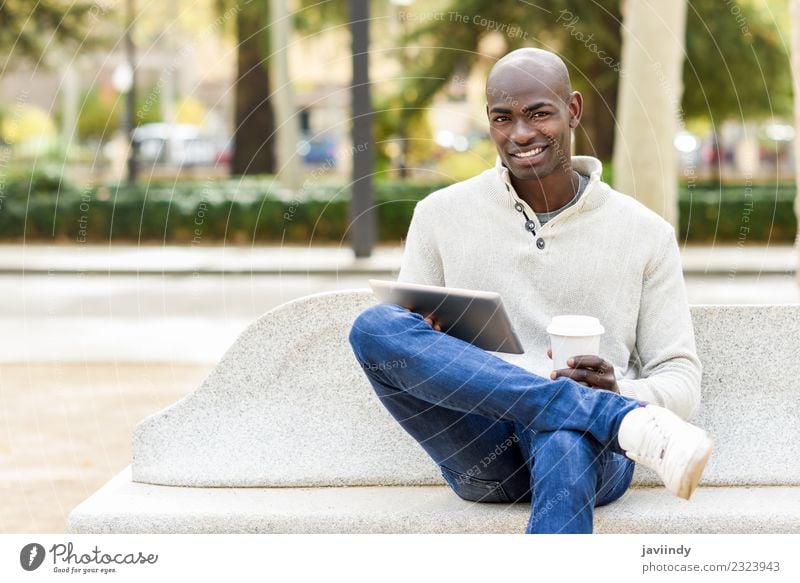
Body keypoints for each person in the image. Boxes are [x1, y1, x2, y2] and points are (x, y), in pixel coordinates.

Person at [348, 48, 713, 534]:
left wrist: (620, 389)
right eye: (503, 118)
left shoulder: (645, 233)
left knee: (563, 434)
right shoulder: (440, 215)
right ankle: (607, 415)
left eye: (538, 113)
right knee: (375, 326)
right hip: (479, 447)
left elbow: (681, 376)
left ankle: (593, 411)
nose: (520, 134)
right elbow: (411, 345)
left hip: (590, 454)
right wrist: (440, 343)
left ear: (573, 111)